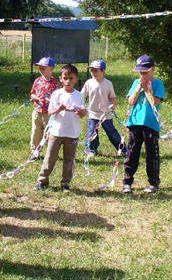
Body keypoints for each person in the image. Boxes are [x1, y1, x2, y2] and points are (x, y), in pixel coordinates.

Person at [35, 64, 87, 192]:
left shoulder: (79, 95)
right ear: (60, 79)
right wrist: (59, 108)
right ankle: (42, 180)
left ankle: (65, 183)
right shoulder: (57, 94)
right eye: (65, 78)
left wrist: (80, 111)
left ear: (76, 79)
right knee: (50, 157)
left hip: (72, 133)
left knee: (69, 159)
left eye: (71, 78)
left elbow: (83, 113)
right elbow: (50, 112)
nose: (68, 81)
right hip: (56, 132)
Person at [122, 55, 165, 194]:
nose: (142, 75)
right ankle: (127, 182)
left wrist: (147, 88)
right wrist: (139, 87)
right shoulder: (136, 83)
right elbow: (131, 101)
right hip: (135, 122)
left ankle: (153, 183)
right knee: (132, 151)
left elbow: (154, 102)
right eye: (140, 72)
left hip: (150, 124)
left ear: (152, 69)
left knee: (152, 154)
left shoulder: (158, 84)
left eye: (145, 72)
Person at [81, 59, 125, 156]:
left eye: (96, 70)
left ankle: (122, 149)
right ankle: (91, 150)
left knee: (111, 132)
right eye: (92, 70)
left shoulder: (108, 83)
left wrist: (113, 104)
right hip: (93, 113)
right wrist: (80, 106)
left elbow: (112, 96)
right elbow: (81, 96)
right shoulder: (89, 83)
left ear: (103, 71)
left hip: (106, 113)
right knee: (92, 132)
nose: (93, 73)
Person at [29, 56, 61, 159]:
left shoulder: (56, 83)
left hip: (49, 113)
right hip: (37, 111)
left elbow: (59, 97)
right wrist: (34, 97)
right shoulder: (38, 81)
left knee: (49, 133)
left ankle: (50, 152)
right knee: (36, 132)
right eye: (40, 68)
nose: (41, 70)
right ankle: (35, 151)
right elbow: (32, 93)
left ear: (51, 68)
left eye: (43, 68)